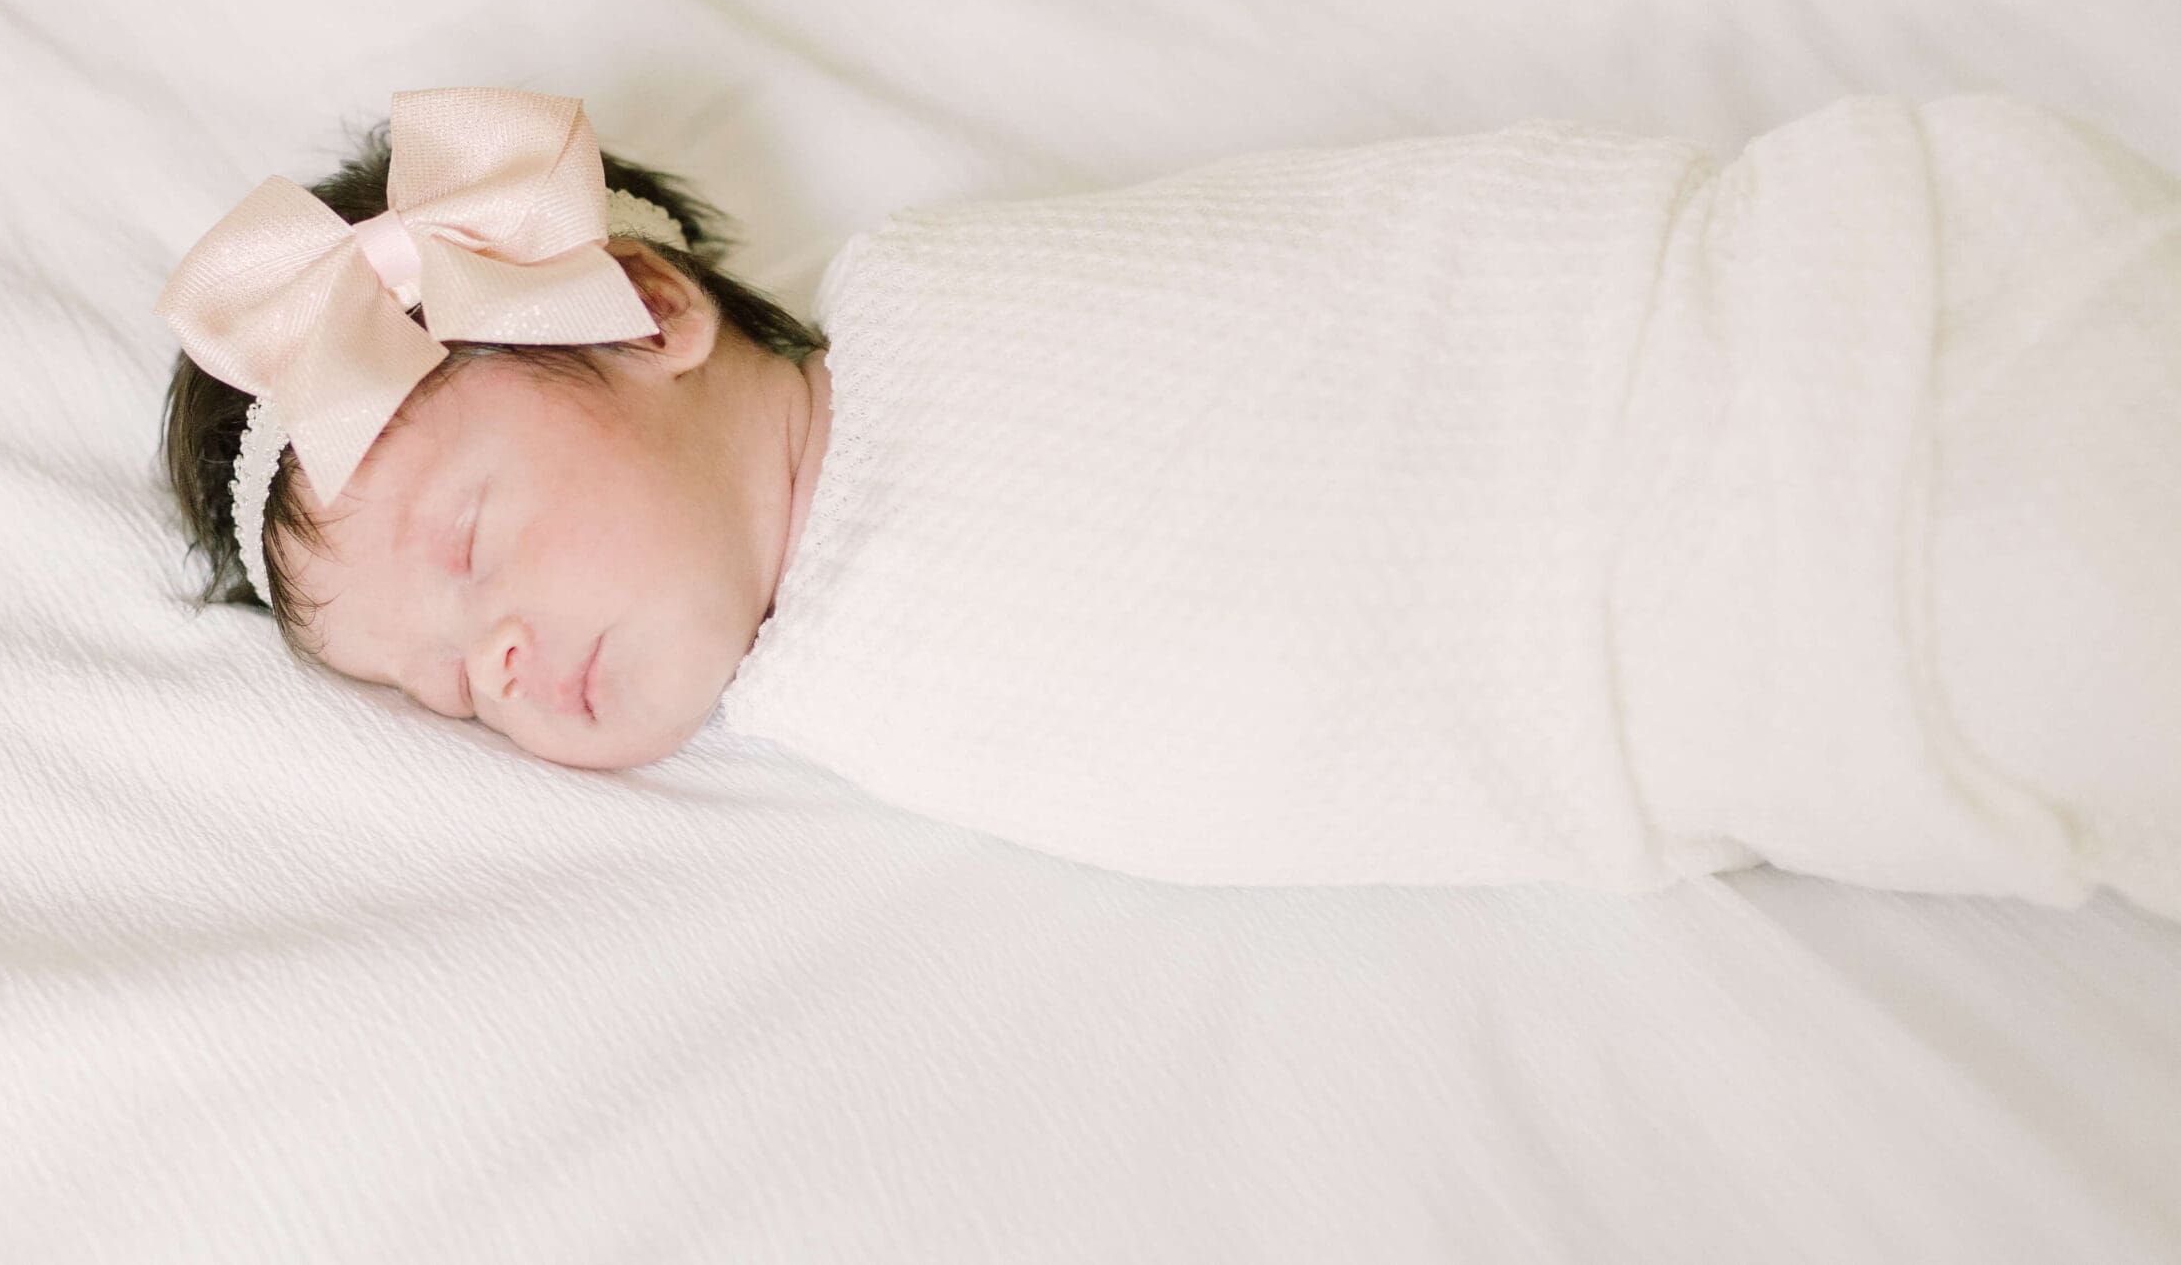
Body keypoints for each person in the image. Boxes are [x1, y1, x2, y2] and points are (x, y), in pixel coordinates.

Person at [158, 86, 2181, 917]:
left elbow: (1391, 277)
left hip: (1770, 379)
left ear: (656, 314)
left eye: (471, 537)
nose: (497, 651)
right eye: (446, 685)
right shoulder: (836, 703)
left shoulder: (946, 308)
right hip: (1747, 676)